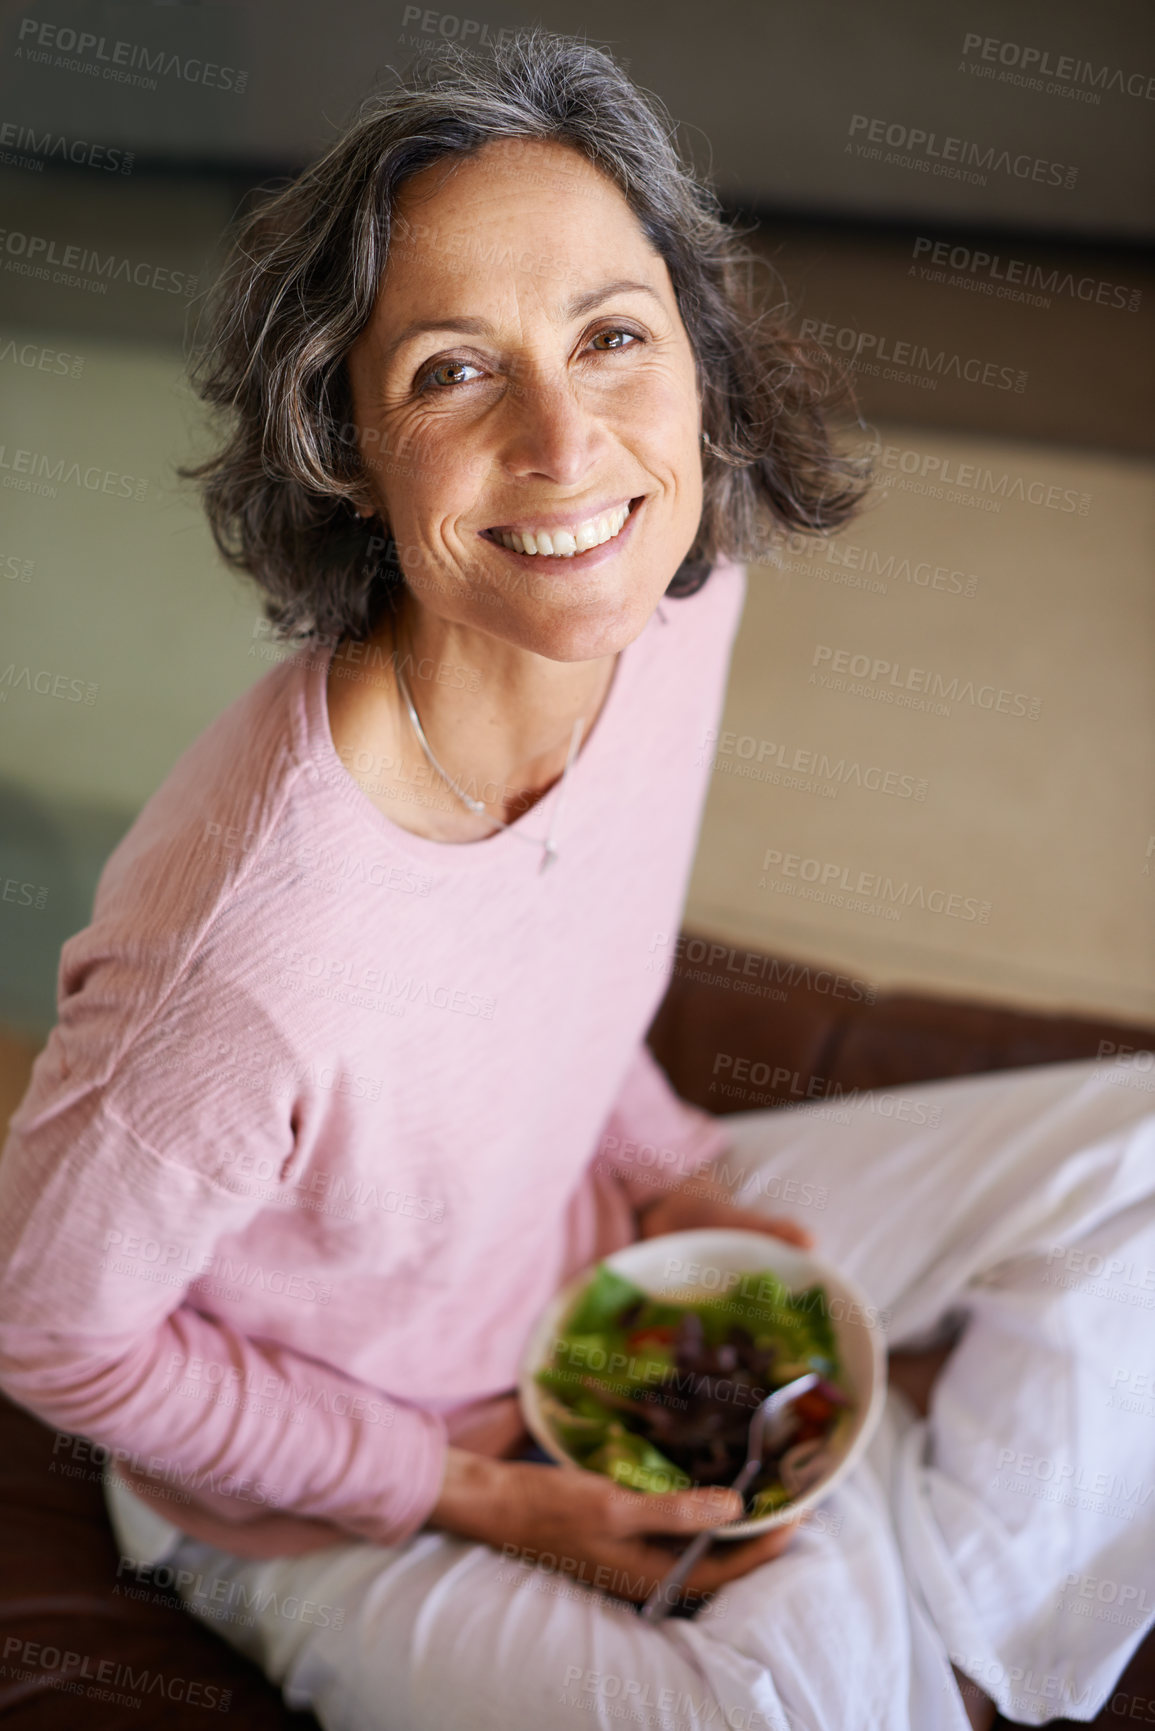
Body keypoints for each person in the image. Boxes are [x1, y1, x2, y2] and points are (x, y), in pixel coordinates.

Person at [0, 31, 1151, 1731]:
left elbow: (534, 974)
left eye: (614, 336)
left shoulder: (676, 592)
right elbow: (58, 1343)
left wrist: (682, 1179)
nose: (568, 444)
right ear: (344, 447)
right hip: (332, 1473)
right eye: (456, 373)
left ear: (697, 355)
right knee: (796, 1716)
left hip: (591, 1263)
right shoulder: (246, 961)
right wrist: (485, 1498)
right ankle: (873, 1614)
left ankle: (966, 1640)